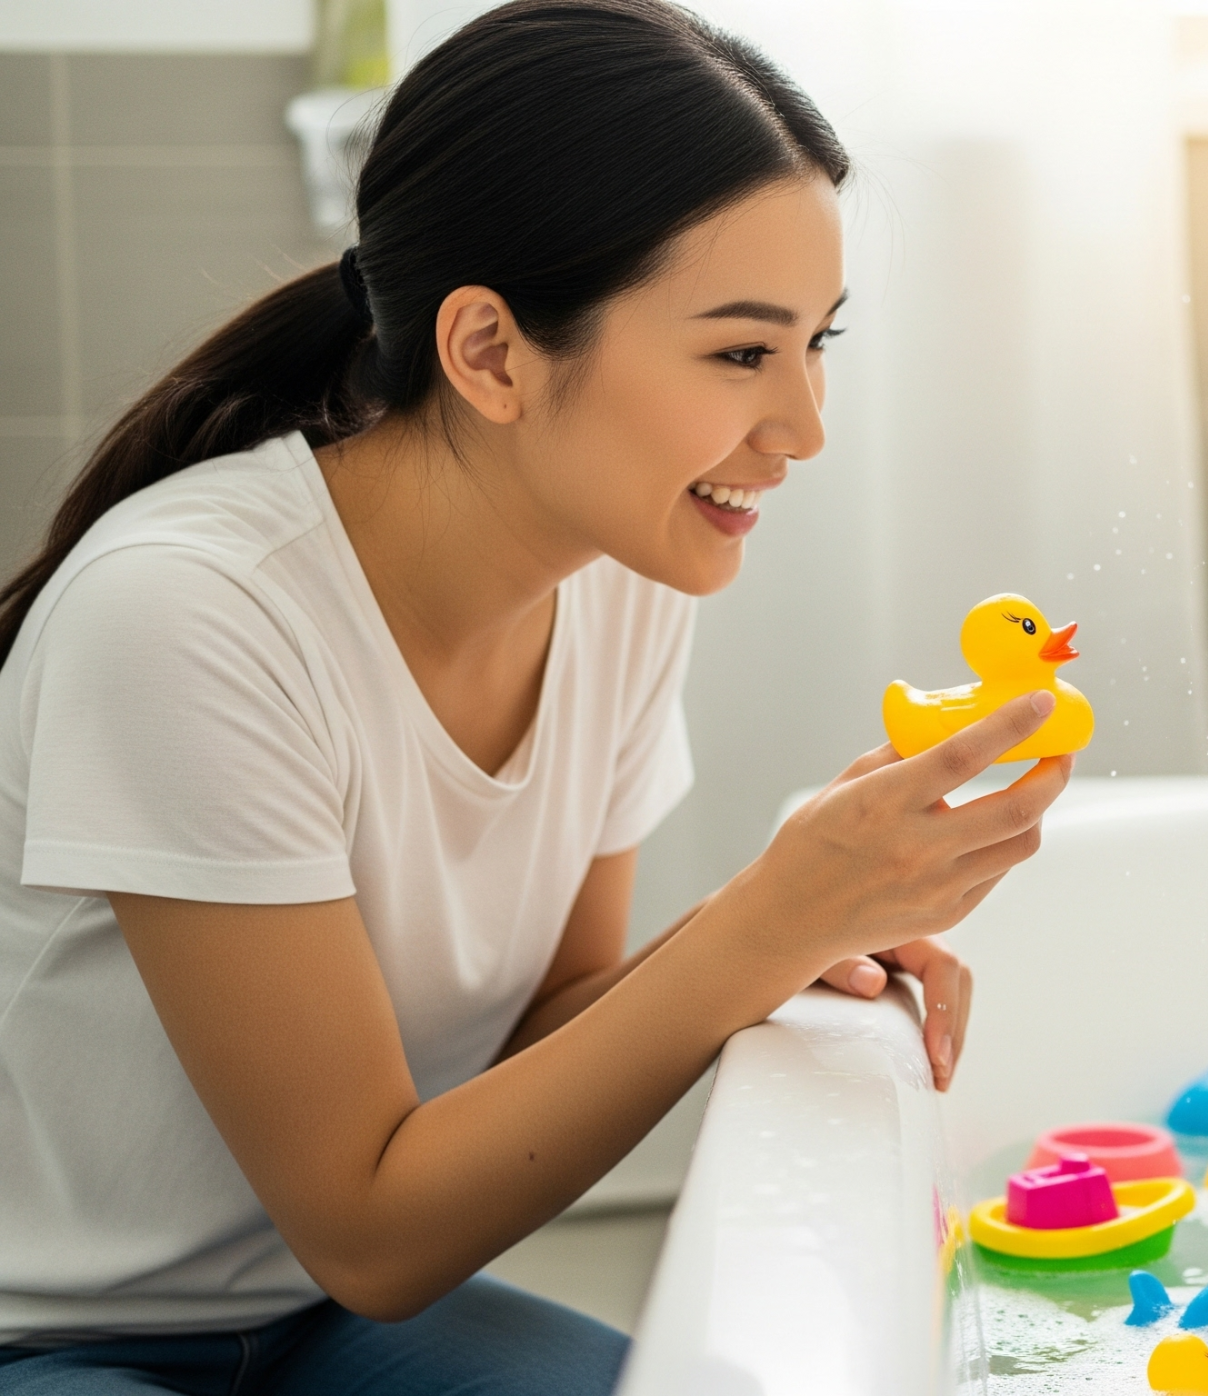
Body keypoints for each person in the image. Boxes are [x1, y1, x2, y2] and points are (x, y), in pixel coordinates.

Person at [0, 2, 1069, 1390]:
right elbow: (372, 1233)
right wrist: (765, 921)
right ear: (491, 353)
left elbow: (542, 1032)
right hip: (62, 1335)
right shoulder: (191, 615)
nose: (806, 427)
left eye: (820, 341)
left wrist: (787, 925)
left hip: (334, 1325)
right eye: (742, 352)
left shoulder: (622, 574)